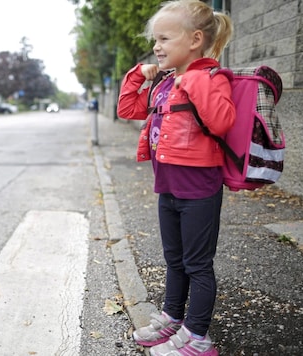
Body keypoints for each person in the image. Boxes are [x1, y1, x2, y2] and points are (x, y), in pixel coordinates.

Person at [116, 1, 234, 355]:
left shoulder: (212, 78)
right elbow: (127, 109)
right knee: (175, 260)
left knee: (198, 264)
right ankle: (173, 318)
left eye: (165, 38)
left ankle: (198, 337)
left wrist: (193, 81)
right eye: (156, 40)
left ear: (196, 39)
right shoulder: (165, 84)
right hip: (167, 188)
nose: (157, 46)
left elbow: (222, 121)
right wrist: (138, 74)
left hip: (199, 190)